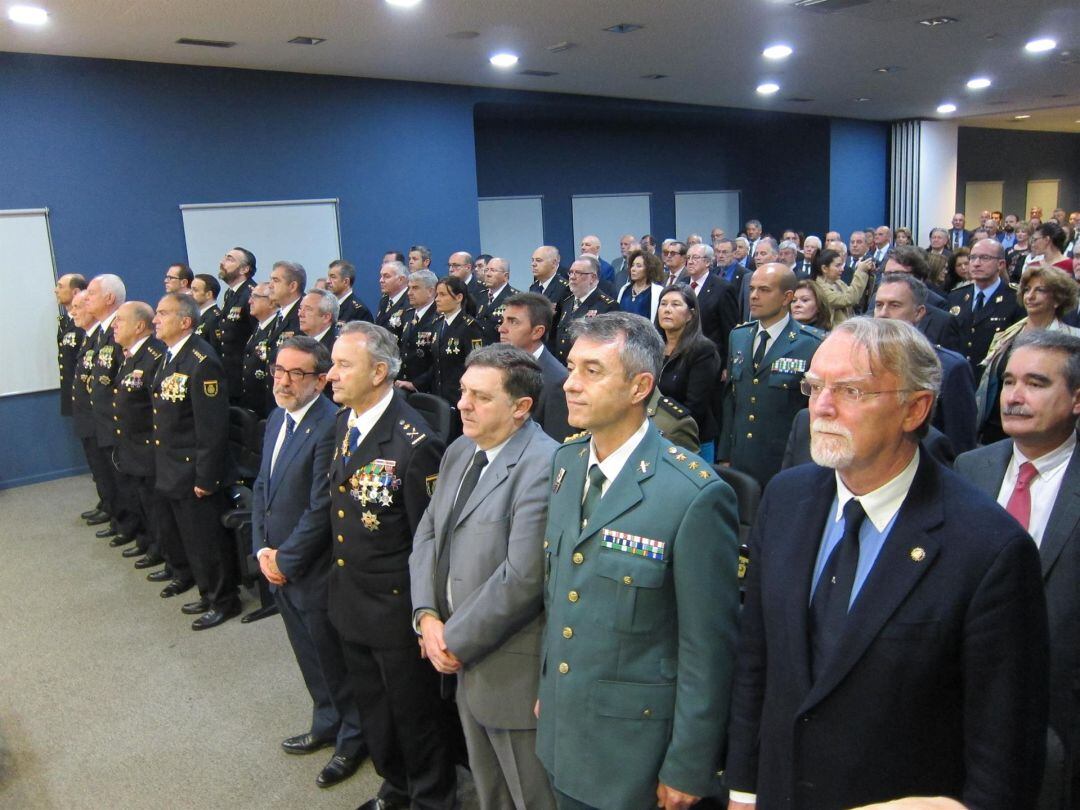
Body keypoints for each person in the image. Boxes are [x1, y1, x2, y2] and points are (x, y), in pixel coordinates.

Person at [725, 316, 1050, 809]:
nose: (822, 407)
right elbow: (757, 660)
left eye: (851, 391)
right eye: (814, 387)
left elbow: (1004, 745)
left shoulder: (988, 547)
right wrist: (744, 790)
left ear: (914, 408)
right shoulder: (785, 498)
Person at [537, 312, 740, 810]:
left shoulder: (692, 494)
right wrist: (551, 686)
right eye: (570, 367)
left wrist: (689, 763)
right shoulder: (566, 463)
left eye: (592, 371)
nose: (570, 385)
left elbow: (706, 648)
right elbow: (560, 589)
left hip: (636, 750)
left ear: (639, 386)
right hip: (567, 722)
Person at [411, 344, 558, 810]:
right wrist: (426, 616)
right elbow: (428, 534)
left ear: (520, 408)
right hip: (456, 652)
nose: (463, 404)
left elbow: (522, 577)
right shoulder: (460, 449)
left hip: (507, 663)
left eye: (480, 396)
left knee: (528, 794)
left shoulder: (543, 464)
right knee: (489, 790)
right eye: (462, 392)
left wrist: (452, 638)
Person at [325, 321, 457, 810]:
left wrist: (426, 616)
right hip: (352, 598)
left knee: (414, 717)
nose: (331, 374)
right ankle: (396, 789)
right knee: (376, 712)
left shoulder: (414, 442)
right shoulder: (346, 421)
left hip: (396, 608)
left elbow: (428, 541)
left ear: (379, 372)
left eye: (343, 365)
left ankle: (431, 800)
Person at [955, 330, 1080, 810]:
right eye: (1008, 382)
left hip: (1058, 719)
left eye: (1036, 383)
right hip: (965, 709)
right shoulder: (970, 468)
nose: (1015, 396)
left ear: (1075, 400)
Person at [251, 336, 366, 789]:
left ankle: (353, 739)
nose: (283, 380)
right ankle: (325, 722)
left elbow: (321, 508)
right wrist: (262, 550)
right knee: (307, 655)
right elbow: (262, 486)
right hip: (277, 562)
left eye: (296, 374)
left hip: (313, 569)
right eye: (279, 371)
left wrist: (286, 559)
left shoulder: (330, 426)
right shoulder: (277, 417)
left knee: (334, 659)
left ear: (320, 380)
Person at [150, 292, 240, 629]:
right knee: (191, 538)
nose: (156, 319)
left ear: (185, 321)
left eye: (163, 313)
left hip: (195, 470)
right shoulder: (171, 356)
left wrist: (206, 477)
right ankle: (207, 592)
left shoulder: (202, 361)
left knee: (208, 540)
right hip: (174, 466)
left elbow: (212, 428)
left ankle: (224, 600)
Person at [720, 264, 823, 489]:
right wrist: (724, 454)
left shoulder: (811, 343)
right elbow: (731, 400)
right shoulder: (738, 336)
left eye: (764, 290)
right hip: (741, 457)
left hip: (784, 458)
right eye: (752, 289)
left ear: (787, 297)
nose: (754, 296)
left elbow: (813, 409)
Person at [973, 265, 1080, 445]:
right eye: (1027, 290)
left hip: (1049, 434)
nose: (1030, 296)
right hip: (995, 429)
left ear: (1057, 299)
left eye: (1040, 290)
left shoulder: (1073, 340)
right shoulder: (1006, 336)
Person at [873, 274, 977, 454]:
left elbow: (959, 446)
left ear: (919, 313)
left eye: (895, 305)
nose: (883, 313)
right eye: (879, 305)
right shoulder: (862, 360)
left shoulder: (948, 367)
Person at [110, 301, 166, 563]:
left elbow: (156, 406)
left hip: (147, 445)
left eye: (120, 320)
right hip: (131, 443)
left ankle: (163, 551)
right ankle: (148, 541)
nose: (114, 325)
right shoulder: (128, 355)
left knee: (155, 505)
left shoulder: (153, 356)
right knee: (140, 499)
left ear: (140, 325)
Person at [656, 285, 722, 462]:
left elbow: (696, 406)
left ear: (690, 315)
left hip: (690, 439)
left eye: (676, 304)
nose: (667, 310)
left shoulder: (702, 349)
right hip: (655, 437)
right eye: (663, 304)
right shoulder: (653, 347)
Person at [414, 276, 485, 436]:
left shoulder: (469, 327)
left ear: (459, 297)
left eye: (443, 295)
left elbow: (477, 366)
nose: (437, 299)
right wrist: (415, 384)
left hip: (460, 399)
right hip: (440, 399)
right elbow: (437, 364)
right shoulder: (438, 325)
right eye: (437, 295)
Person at [946, 239, 1025, 382]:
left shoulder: (1015, 299)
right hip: (959, 378)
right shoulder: (956, 296)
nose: (976, 263)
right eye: (973, 258)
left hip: (994, 380)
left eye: (984, 258)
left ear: (1000, 264)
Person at [84, 274, 127, 539]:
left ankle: (130, 525)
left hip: (117, 421)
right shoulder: (102, 332)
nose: (86, 298)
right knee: (113, 479)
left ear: (109, 298)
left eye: (91, 293)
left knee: (124, 482)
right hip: (102, 418)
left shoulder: (117, 331)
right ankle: (121, 521)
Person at [497, 292, 571, 443]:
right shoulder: (500, 366)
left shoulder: (557, 382)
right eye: (503, 320)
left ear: (537, 332)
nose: (501, 329)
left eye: (513, 322)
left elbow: (554, 447)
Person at [550, 256, 618, 364]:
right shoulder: (566, 302)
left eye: (578, 273)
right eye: (571, 272)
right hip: (562, 366)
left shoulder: (607, 305)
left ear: (593, 277)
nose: (572, 277)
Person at [684, 243, 740, 363]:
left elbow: (729, 329)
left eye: (695, 257)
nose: (690, 261)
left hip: (710, 357)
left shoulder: (723, 288)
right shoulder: (680, 285)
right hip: (682, 354)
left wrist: (727, 364)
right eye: (688, 258)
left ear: (708, 262)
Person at [217, 247, 257, 404]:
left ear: (245, 269)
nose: (222, 262)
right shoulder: (230, 294)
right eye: (224, 257)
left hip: (244, 377)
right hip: (231, 375)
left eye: (230, 259)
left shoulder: (251, 294)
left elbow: (256, 335)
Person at [395, 269, 440, 390]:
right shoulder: (408, 314)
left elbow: (438, 361)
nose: (409, 292)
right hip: (403, 383)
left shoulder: (438, 318)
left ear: (430, 291)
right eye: (409, 288)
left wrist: (416, 384)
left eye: (415, 288)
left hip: (427, 389)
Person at [240, 281, 278, 418]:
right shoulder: (259, 326)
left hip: (267, 405)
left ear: (272, 302)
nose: (250, 301)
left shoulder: (276, 329)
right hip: (252, 403)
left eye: (255, 297)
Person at [810, 247, 872, 325]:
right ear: (824, 268)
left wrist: (867, 272)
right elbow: (848, 299)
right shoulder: (819, 288)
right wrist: (861, 271)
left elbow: (856, 296)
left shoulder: (839, 282)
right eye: (837, 266)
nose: (842, 269)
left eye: (841, 265)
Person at [55, 273, 87, 418]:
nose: (56, 290)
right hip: (73, 394)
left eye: (60, 286)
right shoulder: (66, 322)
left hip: (86, 396)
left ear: (75, 292)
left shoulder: (85, 322)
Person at [266, 260, 306, 361]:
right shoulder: (280, 314)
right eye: (271, 280)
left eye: (276, 280)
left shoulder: (303, 314)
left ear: (292, 286)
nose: (270, 285)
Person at [475, 256, 519, 344]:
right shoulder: (480, 296)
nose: (487, 274)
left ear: (505, 276)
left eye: (493, 270)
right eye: (486, 270)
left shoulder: (515, 298)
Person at [616, 248, 665, 321]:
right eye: (632, 265)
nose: (633, 269)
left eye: (638, 266)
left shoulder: (657, 291)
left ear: (649, 269)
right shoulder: (625, 289)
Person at [326, 259, 374, 323]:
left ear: (346, 282)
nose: (328, 281)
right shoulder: (328, 306)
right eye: (328, 277)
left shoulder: (359, 311)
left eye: (333, 277)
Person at [297, 288, 339, 355]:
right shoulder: (299, 340)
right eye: (300, 308)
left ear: (326, 317)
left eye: (308, 309)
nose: (300, 314)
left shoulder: (337, 347)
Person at [376, 259, 411, 338]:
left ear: (401, 279)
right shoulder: (384, 301)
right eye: (381, 276)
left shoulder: (410, 301)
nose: (381, 280)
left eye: (386, 276)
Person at [191, 273, 223, 356]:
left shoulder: (215, 318)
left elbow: (216, 350)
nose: (190, 293)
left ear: (208, 294)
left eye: (195, 290)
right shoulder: (198, 316)